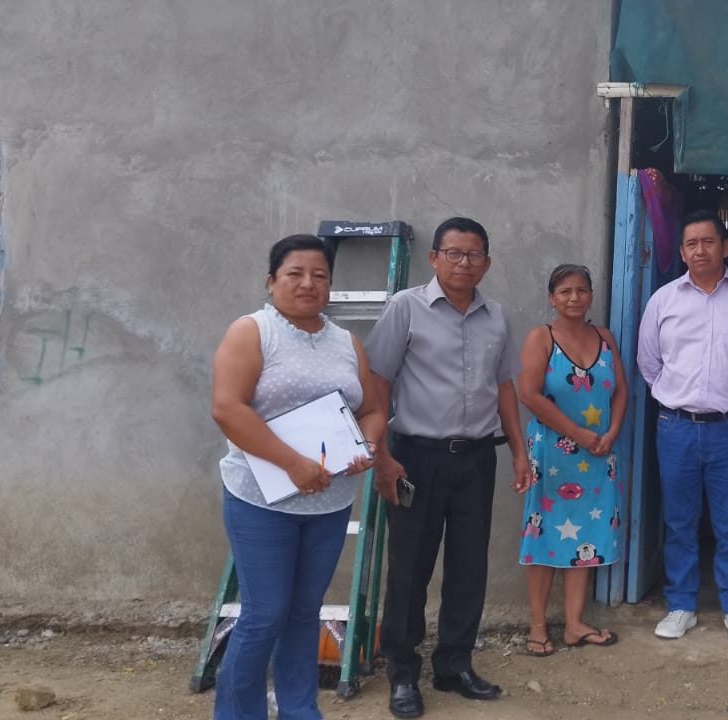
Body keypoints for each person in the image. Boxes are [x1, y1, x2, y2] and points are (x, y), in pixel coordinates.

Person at [364, 217, 531, 719]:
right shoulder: (406, 308)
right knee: (410, 568)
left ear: (487, 263)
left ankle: (454, 664)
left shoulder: (495, 316)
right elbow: (377, 383)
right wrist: (381, 456)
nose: (464, 263)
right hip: (416, 457)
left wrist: (518, 451)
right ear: (434, 257)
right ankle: (402, 671)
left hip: (476, 459)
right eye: (454, 253)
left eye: (474, 254)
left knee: (468, 567)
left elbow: (504, 387)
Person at [209, 235, 381, 720]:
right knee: (264, 615)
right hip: (261, 502)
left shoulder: (346, 342)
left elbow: (371, 409)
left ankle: (300, 710)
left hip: (329, 503)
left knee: (306, 612)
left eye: (320, 275)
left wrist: (367, 447)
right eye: (295, 274)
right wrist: (292, 463)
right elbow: (227, 408)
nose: (308, 283)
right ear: (271, 281)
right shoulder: (252, 332)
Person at [637, 209, 728, 644]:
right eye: (691, 243)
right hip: (675, 427)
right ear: (682, 252)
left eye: (708, 241)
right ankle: (681, 605)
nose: (700, 250)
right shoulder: (663, 301)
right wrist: (679, 396)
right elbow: (649, 363)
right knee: (680, 521)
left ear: (726, 247)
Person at [514, 263, 628, 656]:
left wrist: (612, 432)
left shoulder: (604, 337)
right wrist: (577, 433)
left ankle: (575, 624)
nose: (574, 298)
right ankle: (538, 626)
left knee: (588, 533)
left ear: (591, 295)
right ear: (552, 298)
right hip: (553, 455)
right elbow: (528, 395)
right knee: (544, 532)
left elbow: (620, 391)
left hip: (599, 453)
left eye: (581, 290)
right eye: (565, 291)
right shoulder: (541, 338)